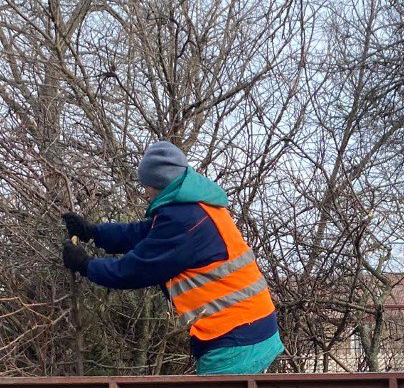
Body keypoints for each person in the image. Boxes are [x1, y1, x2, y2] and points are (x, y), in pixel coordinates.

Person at [62, 140, 283, 375]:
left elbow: (134, 270)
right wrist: (93, 233)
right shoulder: (196, 207)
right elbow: (142, 233)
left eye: (146, 185)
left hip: (235, 340)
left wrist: (86, 265)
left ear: (158, 183)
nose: (145, 192)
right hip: (252, 328)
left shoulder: (185, 220)